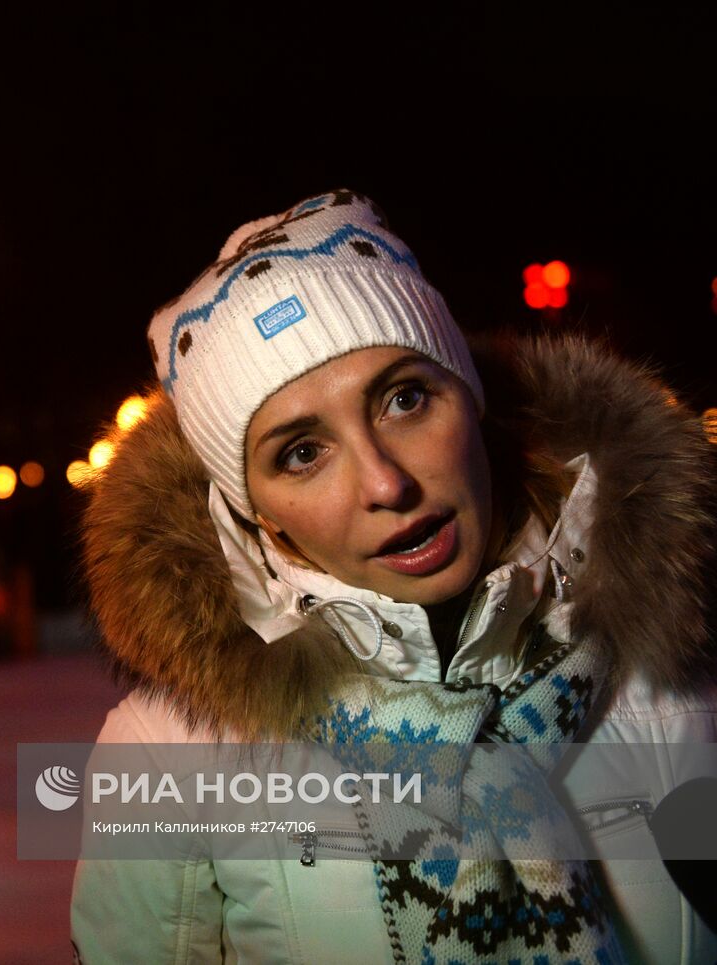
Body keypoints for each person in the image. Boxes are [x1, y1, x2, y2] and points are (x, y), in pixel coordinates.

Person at [69, 189, 717, 963]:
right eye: (302, 452)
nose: (384, 483)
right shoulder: (168, 752)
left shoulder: (684, 669)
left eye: (405, 399)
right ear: (257, 515)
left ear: (470, 402)